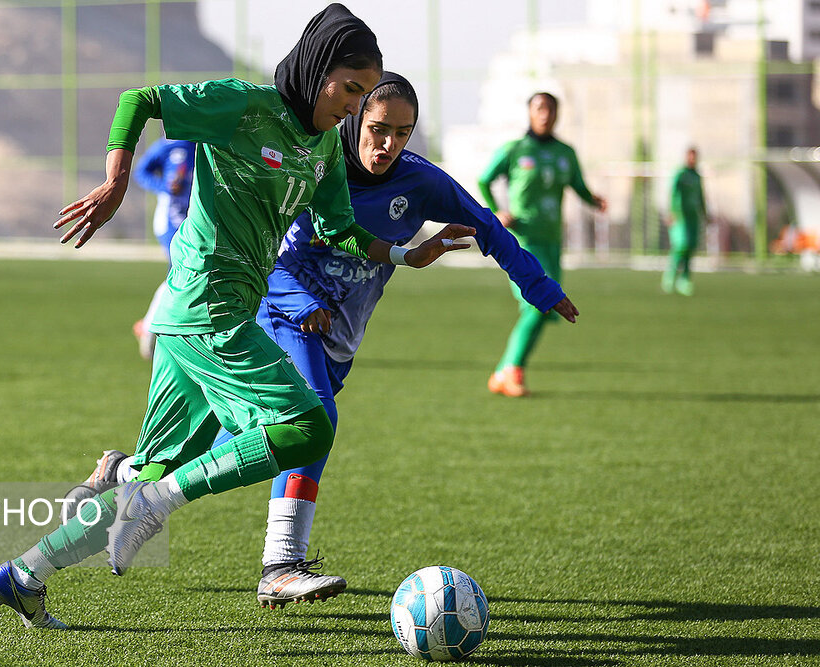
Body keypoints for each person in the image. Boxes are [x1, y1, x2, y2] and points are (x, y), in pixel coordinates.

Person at [0, 3, 473, 630]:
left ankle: (24, 574)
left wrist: (406, 252)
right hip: (207, 305)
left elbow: (340, 229)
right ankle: (152, 498)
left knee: (159, 467)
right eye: (349, 90)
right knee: (307, 425)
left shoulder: (323, 145)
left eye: (361, 95)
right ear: (318, 69)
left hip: (210, 317)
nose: (353, 108)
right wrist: (116, 183)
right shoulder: (245, 106)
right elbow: (139, 100)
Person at [68, 73, 579, 610]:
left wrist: (539, 287)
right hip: (281, 313)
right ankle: (280, 563)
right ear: (358, 118)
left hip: (339, 334)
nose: (388, 144)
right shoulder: (315, 159)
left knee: (232, 448)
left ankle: (123, 472)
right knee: (317, 421)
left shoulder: (422, 182)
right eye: (379, 128)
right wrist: (301, 301)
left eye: (403, 133)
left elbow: (489, 228)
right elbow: (273, 248)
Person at [478, 92, 606, 398]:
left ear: (557, 114)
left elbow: (577, 185)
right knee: (538, 303)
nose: (545, 114)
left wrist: (594, 200)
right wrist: (497, 211)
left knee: (546, 308)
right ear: (530, 113)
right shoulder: (515, 149)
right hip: (523, 242)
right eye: (539, 108)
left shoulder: (566, 152)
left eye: (550, 109)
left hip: (552, 243)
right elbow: (484, 180)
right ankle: (510, 370)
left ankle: (504, 373)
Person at [131, 138, 196, 359]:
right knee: (178, 273)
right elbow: (141, 173)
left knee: (185, 275)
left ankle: (158, 327)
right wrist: (166, 187)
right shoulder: (168, 145)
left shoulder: (207, 143)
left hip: (194, 223)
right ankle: (150, 327)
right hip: (170, 221)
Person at [662, 146, 707, 296]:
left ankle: (685, 279)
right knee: (681, 245)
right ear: (686, 157)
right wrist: (670, 212)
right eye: (690, 156)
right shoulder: (680, 174)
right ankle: (670, 276)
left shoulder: (697, 176)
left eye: (694, 157)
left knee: (691, 247)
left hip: (693, 217)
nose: (692, 159)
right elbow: (673, 193)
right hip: (680, 216)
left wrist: (705, 213)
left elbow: (701, 196)